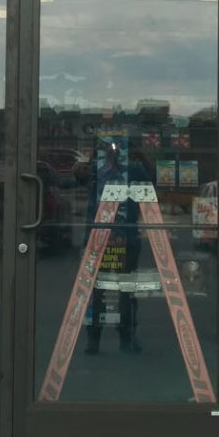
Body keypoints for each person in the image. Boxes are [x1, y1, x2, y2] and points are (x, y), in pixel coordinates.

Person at [83, 139, 150, 354]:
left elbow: (154, 180)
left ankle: (126, 337)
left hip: (126, 238)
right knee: (97, 290)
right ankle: (94, 338)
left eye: (118, 149)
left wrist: (138, 153)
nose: (113, 152)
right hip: (99, 237)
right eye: (108, 149)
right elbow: (77, 177)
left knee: (126, 289)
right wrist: (93, 157)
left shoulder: (134, 170)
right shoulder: (96, 170)